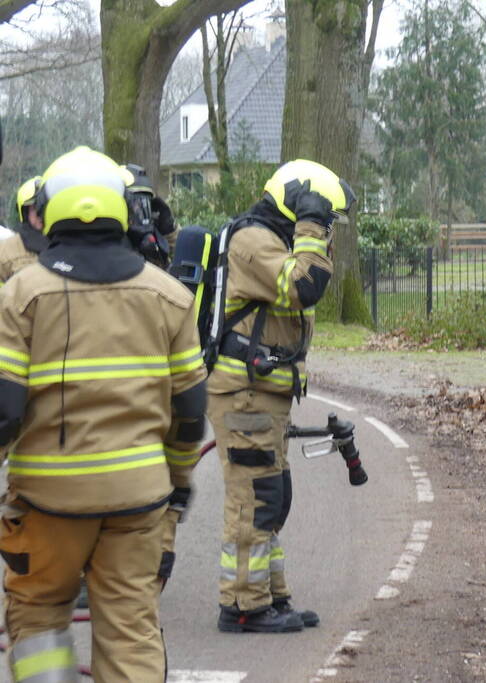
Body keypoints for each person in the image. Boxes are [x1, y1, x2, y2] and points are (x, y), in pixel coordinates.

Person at [0, 146, 207, 681]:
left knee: (39, 615)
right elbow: (189, 410)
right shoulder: (170, 297)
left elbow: (4, 412)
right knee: (132, 627)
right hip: (139, 500)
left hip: (47, 503)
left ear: (49, 211)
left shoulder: (18, 295)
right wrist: (177, 480)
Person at [208, 159, 352, 633]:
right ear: (298, 204)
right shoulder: (253, 241)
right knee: (255, 498)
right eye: (323, 219)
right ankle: (243, 606)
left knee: (273, 495)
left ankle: (271, 596)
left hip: (263, 396)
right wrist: (311, 228)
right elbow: (304, 285)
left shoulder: (273, 240)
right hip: (244, 395)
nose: (326, 232)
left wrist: (310, 230)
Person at [0, 176, 47, 285]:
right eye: (35, 207)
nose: (41, 213)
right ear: (25, 212)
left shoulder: (71, 243)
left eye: (45, 206)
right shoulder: (5, 252)